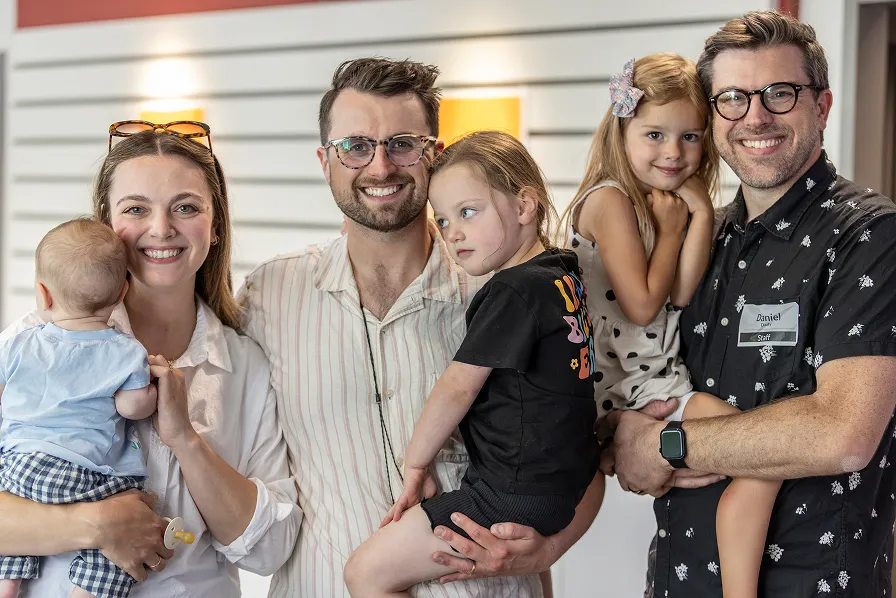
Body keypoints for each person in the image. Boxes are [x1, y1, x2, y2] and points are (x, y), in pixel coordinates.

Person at [239, 58, 612, 598]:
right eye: (355, 146)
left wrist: (550, 549)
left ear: (432, 154)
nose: (380, 166)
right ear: (326, 161)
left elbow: (586, 451)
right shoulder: (267, 297)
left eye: (402, 144)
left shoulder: (509, 290)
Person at [602, 10, 896, 597]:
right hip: (675, 581)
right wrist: (616, 429)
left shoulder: (869, 235)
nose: (754, 116)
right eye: (732, 98)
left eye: (779, 94)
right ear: (712, 116)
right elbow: (648, 369)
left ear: (822, 105)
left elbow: (842, 433)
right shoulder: (704, 240)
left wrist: (666, 444)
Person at [0, 125, 301, 597]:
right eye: (136, 209)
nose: (161, 229)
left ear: (215, 224)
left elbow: (269, 549)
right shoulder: (32, 343)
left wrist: (185, 439)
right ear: (105, 222)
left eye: (186, 207)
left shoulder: (245, 367)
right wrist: (96, 526)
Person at [342, 130, 600, 598]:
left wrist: (416, 464)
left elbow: (457, 387)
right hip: (561, 491)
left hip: (509, 493)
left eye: (468, 212)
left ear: (524, 206)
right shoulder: (564, 279)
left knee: (365, 573)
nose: (452, 231)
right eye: (442, 219)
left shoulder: (513, 290)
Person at [561, 53, 779, 598]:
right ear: (622, 129)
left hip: (657, 382)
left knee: (761, 459)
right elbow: (641, 305)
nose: (673, 152)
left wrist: (698, 215)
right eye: (655, 133)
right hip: (632, 388)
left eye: (690, 137)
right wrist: (670, 223)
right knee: (764, 454)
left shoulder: (665, 205)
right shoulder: (610, 201)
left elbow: (679, 293)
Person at [0, 218, 157, 598]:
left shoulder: (19, 343)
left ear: (43, 293)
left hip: (18, 467)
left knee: (15, 529)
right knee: (133, 514)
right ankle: (86, 592)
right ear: (122, 292)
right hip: (82, 473)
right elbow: (133, 407)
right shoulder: (126, 351)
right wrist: (152, 390)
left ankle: (7, 585)